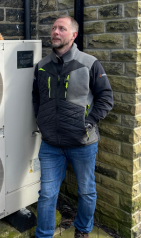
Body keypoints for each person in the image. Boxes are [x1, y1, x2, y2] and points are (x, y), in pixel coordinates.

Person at [32, 16, 113, 238]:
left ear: (73, 35)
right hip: (50, 145)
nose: (55, 32)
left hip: (82, 143)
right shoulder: (41, 66)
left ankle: (83, 230)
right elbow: (36, 98)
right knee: (47, 194)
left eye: (62, 29)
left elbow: (106, 97)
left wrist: (88, 121)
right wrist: (42, 120)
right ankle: (43, 235)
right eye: (54, 28)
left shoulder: (89, 63)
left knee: (86, 191)